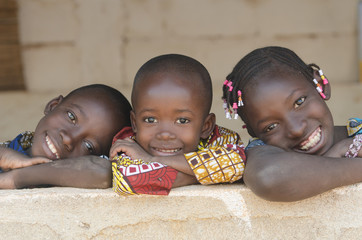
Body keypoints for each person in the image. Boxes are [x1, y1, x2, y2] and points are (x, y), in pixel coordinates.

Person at [222, 46, 362, 202]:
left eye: (299, 102)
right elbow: (270, 177)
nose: (296, 129)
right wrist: (339, 153)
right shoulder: (261, 152)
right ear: (253, 132)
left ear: (320, 84)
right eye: (271, 127)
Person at [109, 54, 246, 196]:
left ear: (206, 126)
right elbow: (129, 180)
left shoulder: (221, 139)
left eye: (182, 121)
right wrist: (210, 175)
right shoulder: (128, 146)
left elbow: (238, 163)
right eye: (150, 120)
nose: (165, 134)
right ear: (134, 123)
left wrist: (152, 160)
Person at [0, 84, 132, 189]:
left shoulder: (77, 174)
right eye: (71, 117)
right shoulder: (7, 151)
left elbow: (102, 171)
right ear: (53, 106)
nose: (68, 139)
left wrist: (16, 178)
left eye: (88, 145)